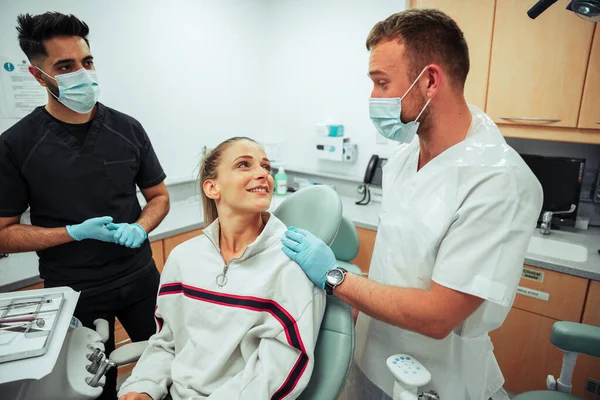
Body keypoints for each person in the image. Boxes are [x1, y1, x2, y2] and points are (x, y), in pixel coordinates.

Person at [281, 9, 543, 400]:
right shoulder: (404, 157)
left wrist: (338, 280)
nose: (373, 98)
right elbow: (401, 260)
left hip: (437, 381)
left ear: (431, 81)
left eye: (382, 83)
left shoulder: (498, 180)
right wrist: (358, 301)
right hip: (371, 357)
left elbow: (439, 315)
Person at [0, 12, 170, 400]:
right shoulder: (15, 145)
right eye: (65, 66)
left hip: (141, 279)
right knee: (94, 387)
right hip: (75, 290)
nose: (82, 73)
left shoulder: (127, 129)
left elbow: (159, 197)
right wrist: (71, 233)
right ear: (38, 75)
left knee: (167, 364)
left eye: (87, 62)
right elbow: (3, 234)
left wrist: (141, 227)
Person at [118, 137, 325, 400]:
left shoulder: (289, 266)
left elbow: (276, 372)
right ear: (212, 187)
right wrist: (143, 387)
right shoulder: (184, 258)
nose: (262, 174)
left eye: (265, 167)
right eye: (244, 165)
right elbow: (167, 341)